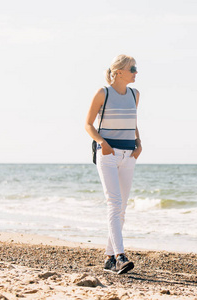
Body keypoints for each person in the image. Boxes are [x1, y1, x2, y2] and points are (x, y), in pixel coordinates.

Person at [85, 54, 142, 274]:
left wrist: (139, 144)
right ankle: (120, 256)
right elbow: (88, 124)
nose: (136, 72)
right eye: (133, 69)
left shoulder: (135, 94)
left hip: (129, 155)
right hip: (107, 154)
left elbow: (133, 121)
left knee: (122, 208)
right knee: (114, 203)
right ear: (119, 72)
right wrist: (103, 144)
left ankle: (109, 258)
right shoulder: (103, 93)